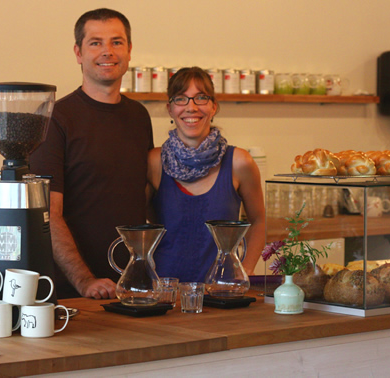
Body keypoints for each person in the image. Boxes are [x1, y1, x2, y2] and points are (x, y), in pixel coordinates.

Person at [30, 8, 153, 299]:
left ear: (130, 50)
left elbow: (145, 197)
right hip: (73, 293)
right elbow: (49, 214)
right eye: (95, 42)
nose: (107, 52)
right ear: (78, 52)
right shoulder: (54, 119)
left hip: (131, 285)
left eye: (117, 42)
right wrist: (84, 280)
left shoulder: (139, 116)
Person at [147, 67, 265, 282]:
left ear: (213, 107)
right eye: (181, 99)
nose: (191, 108)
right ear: (170, 109)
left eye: (201, 98)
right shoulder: (154, 162)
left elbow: (258, 220)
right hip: (164, 291)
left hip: (222, 290)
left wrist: (246, 268)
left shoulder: (239, 162)